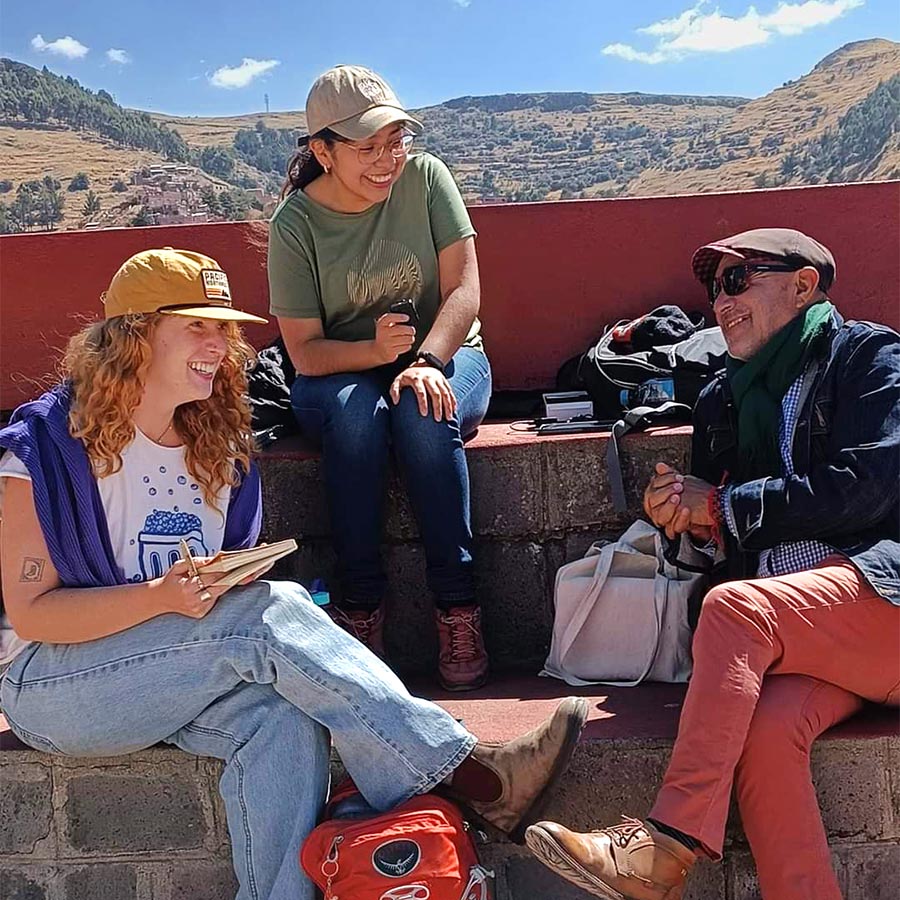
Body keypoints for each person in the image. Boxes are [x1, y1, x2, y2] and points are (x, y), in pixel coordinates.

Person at [0, 248, 589, 900]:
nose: (219, 343)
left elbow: (217, 607)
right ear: (133, 334)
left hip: (175, 674)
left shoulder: (217, 448)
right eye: (197, 324)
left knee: (283, 718)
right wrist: (161, 598)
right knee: (264, 617)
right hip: (54, 684)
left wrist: (216, 597)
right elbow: (33, 614)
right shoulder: (45, 450)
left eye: (224, 328)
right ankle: (464, 775)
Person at [524, 229, 900, 900]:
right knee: (762, 735)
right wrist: (686, 519)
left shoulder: (868, 356)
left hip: (880, 600)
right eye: (712, 289)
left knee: (736, 608)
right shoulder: (723, 399)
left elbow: (868, 484)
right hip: (799, 633)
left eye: (736, 282)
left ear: (803, 285)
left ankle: (664, 848)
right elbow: (725, 535)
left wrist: (727, 505)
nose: (719, 304)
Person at [267, 65, 492, 691]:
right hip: (340, 371)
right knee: (356, 420)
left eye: (396, 141)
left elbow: (465, 291)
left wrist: (426, 361)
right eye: (368, 147)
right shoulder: (295, 225)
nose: (388, 159)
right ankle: (361, 606)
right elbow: (306, 355)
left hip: (446, 354)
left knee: (423, 415)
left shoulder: (426, 179)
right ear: (323, 151)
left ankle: (458, 605)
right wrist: (373, 349)